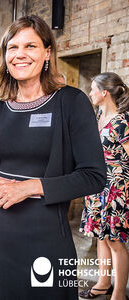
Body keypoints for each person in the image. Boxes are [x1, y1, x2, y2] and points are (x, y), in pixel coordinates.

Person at [0, 15, 106, 300]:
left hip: (45, 233)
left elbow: (94, 176)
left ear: (47, 52)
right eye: (13, 47)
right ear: (5, 54)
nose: (20, 54)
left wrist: (28, 188)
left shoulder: (71, 103)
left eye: (30, 46)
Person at [79, 72, 129, 300]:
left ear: (104, 92)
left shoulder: (122, 122)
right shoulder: (98, 116)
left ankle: (119, 293)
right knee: (100, 236)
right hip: (96, 185)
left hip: (116, 189)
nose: (90, 93)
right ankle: (103, 282)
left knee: (115, 241)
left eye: (93, 89)